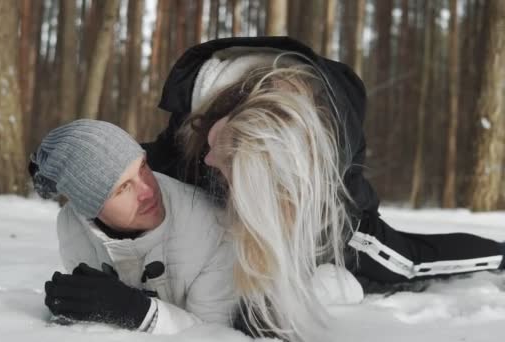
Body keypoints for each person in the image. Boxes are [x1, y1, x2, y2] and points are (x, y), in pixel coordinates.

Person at [141, 37, 505, 341]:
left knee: (402, 263)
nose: (206, 161)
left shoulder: (324, 197)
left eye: (226, 168)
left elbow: (267, 254)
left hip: (332, 209)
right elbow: (152, 161)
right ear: (232, 110)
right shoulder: (204, 101)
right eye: (215, 143)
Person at [28, 119, 236, 334]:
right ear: (89, 207)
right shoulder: (72, 226)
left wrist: (140, 312)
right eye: (124, 188)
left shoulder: (214, 229)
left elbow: (215, 334)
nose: (147, 191)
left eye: (143, 167)